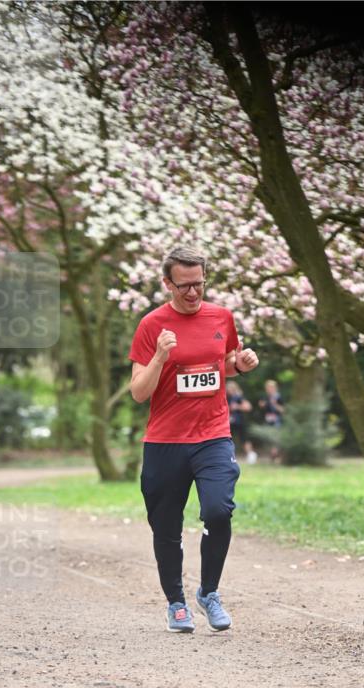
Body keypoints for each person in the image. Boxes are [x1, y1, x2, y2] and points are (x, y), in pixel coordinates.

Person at [129, 247, 259, 633]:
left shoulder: (221, 316)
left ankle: (209, 592)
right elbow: (139, 391)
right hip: (165, 441)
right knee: (165, 526)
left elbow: (222, 364)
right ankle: (176, 603)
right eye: (184, 285)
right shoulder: (152, 325)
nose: (193, 292)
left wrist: (240, 364)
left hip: (213, 435)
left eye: (199, 283)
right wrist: (159, 358)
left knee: (219, 511)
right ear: (167, 283)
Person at [226, 379, 252, 454]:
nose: (229, 390)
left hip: (240, 421)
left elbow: (248, 407)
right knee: (228, 439)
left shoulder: (239, 397)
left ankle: (250, 454)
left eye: (230, 388)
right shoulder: (228, 397)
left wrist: (237, 406)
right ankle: (230, 454)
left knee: (244, 438)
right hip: (231, 422)